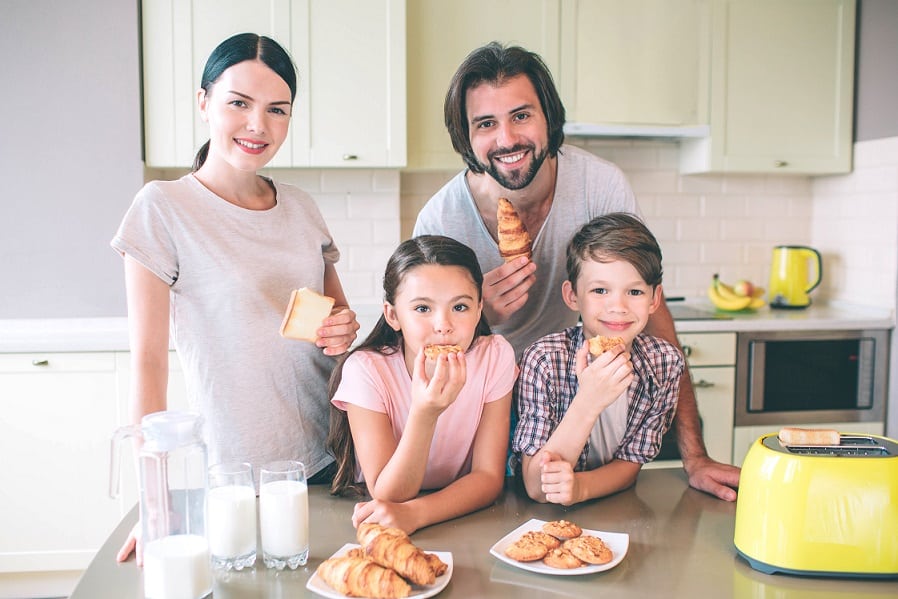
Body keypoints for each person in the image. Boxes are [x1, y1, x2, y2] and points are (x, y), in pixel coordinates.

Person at [413, 41, 740, 501]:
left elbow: (649, 310)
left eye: (522, 115)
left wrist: (696, 456)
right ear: (466, 136)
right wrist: (479, 315)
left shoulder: (600, 186)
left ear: (549, 116)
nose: (506, 139)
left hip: (577, 381)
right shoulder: (441, 220)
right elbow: (417, 348)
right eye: (486, 123)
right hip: (481, 408)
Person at [111, 33, 359, 563]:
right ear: (203, 103)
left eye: (277, 110)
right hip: (236, 479)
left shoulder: (301, 207)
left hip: (332, 459)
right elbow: (149, 363)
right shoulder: (164, 208)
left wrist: (342, 330)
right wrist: (154, 503)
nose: (258, 126)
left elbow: (338, 328)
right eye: (238, 104)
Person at [327, 235, 516, 534]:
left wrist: (416, 515)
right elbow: (388, 494)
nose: (443, 325)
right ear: (393, 315)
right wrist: (425, 413)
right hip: (378, 521)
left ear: (480, 309)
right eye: (423, 309)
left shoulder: (495, 356)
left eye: (460, 307)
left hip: (462, 520)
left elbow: (488, 477)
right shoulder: (365, 370)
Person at [514, 213, 684, 504]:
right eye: (600, 290)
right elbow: (535, 485)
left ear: (654, 299)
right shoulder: (543, 360)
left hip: (616, 507)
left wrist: (580, 487)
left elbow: (630, 464)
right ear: (573, 296)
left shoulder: (665, 363)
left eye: (634, 291)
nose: (617, 307)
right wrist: (589, 401)